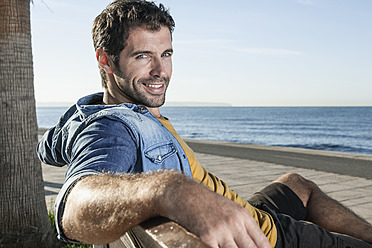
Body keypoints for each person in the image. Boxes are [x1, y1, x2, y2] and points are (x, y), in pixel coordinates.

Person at [37, 1, 372, 247]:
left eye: (166, 54)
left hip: (237, 206)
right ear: (105, 60)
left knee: (297, 183)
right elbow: (74, 208)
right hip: (264, 235)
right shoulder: (113, 128)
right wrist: (170, 190)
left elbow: (49, 146)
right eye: (143, 56)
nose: (160, 71)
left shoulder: (89, 109)